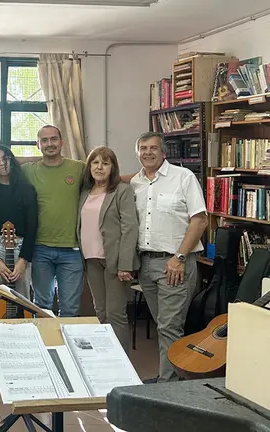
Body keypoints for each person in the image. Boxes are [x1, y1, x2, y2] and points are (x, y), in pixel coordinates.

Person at [130, 132, 208, 382]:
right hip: (146, 264)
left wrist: (179, 258)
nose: (148, 152)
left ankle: (168, 385)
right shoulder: (136, 183)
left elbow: (200, 220)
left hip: (175, 264)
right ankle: (172, 378)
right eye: (143, 148)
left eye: (153, 148)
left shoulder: (183, 177)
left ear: (164, 152)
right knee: (162, 325)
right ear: (137, 153)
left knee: (169, 326)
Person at [77, 146, 139, 352]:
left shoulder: (122, 191)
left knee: (115, 314)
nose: (99, 167)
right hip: (90, 259)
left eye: (105, 163)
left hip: (115, 261)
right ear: (89, 167)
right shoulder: (84, 192)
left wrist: (125, 264)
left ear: (113, 167)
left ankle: (122, 362)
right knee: (101, 312)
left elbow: (130, 228)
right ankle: (106, 357)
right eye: (95, 162)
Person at [21, 125, 86, 317]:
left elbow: (108, 177)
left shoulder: (78, 168)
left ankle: (65, 339)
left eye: (54, 139)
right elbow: (5, 161)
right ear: (38, 145)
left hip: (72, 250)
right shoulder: (28, 170)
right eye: (44, 140)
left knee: (70, 309)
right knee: (42, 307)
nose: (50, 144)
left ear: (62, 142)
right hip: (40, 248)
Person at [0, 145, 38, 320]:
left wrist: (23, 260)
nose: (2, 164)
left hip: (21, 248)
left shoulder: (27, 189)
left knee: (23, 301)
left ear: (12, 160)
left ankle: (24, 336)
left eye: (5, 159)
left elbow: (33, 226)